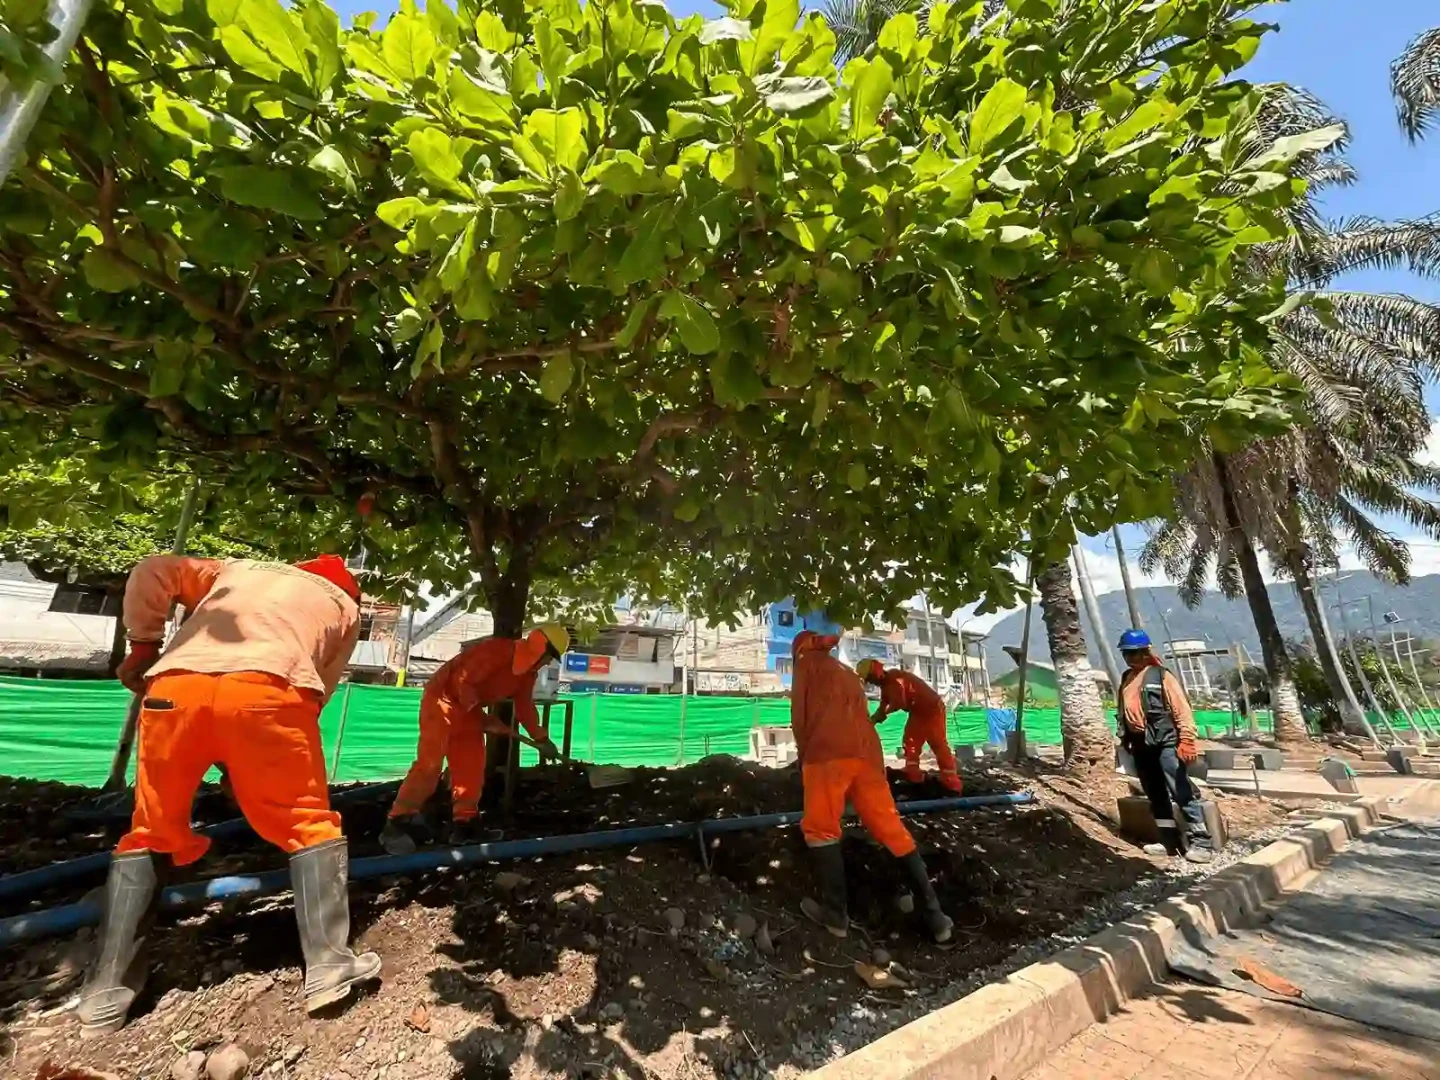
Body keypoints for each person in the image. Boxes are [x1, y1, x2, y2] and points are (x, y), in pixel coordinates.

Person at [77, 555, 380, 1038]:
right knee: (308, 823)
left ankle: (104, 998)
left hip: (174, 687)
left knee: (149, 829)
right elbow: (316, 689)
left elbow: (152, 568)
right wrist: (255, 760)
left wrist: (141, 647)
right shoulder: (343, 606)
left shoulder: (237, 570)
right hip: (271, 690)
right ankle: (329, 968)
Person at [789, 630, 953, 944]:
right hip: (868, 758)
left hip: (828, 754)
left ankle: (836, 916)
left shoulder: (806, 665)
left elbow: (800, 717)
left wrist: (803, 756)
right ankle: (935, 918)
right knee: (891, 829)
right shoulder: (846, 673)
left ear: (799, 649)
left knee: (821, 829)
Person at [381, 625, 568, 853]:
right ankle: (398, 822)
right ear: (540, 647)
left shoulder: (527, 675)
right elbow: (462, 681)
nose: (548, 663)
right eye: (550, 657)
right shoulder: (496, 651)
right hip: (442, 703)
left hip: (470, 711)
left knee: (471, 767)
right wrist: (481, 716)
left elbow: (524, 707)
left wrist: (540, 737)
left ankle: (465, 824)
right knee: (429, 766)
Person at [1115, 628, 1213, 864]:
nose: (1132, 658)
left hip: (1165, 741)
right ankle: (1169, 840)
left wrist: (1188, 740)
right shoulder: (1127, 678)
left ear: (1146, 651)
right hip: (1141, 744)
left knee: (1179, 788)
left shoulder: (1161, 676)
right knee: (1154, 792)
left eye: (1137, 653)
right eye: (1128, 654)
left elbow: (1181, 709)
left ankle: (1201, 841)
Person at [855, 659, 962, 792]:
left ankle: (951, 782)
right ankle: (914, 776)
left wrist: (882, 714)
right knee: (910, 742)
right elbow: (884, 704)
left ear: (875, 673)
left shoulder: (895, 681)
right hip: (918, 711)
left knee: (937, 743)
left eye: (870, 678)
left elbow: (899, 703)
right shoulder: (887, 684)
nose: (870, 682)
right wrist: (873, 720)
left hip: (933, 709)